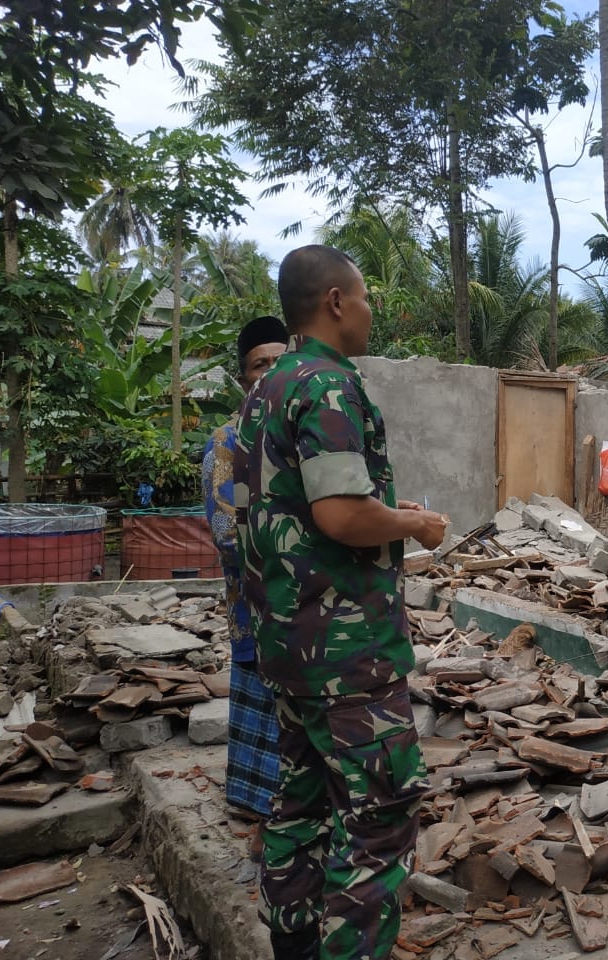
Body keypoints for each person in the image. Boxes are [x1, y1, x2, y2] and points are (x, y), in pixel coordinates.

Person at [233, 245, 447, 960]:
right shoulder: (327, 386)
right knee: (381, 818)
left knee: (301, 799)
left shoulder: (265, 390)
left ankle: (291, 944)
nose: (369, 309)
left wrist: (381, 509)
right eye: (364, 296)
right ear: (333, 302)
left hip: (288, 645)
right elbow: (341, 516)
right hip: (344, 650)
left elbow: (305, 505)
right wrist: (413, 523)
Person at [201, 315, 288, 825]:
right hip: (256, 608)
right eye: (261, 364)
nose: (272, 372)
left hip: (306, 615)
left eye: (280, 361)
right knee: (262, 708)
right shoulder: (228, 446)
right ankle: (260, 812)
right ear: (244, 378)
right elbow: (229, 532)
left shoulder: (300, 437)